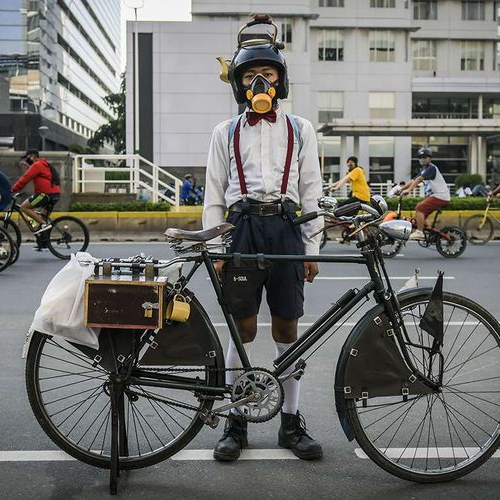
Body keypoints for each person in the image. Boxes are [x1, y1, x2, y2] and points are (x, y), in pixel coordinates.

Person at [203, 15, 323, 462]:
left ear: (280, 81)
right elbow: (214, 194)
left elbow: (311, 190)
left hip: (287, 230)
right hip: (241, 230)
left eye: (267, 74)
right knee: (244, 327)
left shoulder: (301, 129)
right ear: (238, 84)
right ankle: (237, 422)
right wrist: (216, 249)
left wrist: (312, 248)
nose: (259, 82)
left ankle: (290, 422)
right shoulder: (224, 132)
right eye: (249, 76)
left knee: (288, 326)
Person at [400, 147, 450, 240]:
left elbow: (419, 180)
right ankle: (430, 231)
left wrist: (409, 190)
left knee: (420, 208)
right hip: (437, 196)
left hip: (441, 196)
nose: (422, 159)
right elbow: (413, 180)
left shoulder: (432, 168)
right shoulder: (424, 170)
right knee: (421, 210)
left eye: (425, 157)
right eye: (420, 157)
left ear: (430, 158)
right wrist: (400, 189)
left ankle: (419, 232)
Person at [11, 149, 60, 236]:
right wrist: (28, 167)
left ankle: (43, 224)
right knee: (42, 219)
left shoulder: (37, 165)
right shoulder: (43, 164)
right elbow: (39, 173)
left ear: (33, 156)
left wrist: (12, 190)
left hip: (44, 194)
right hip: (54, 194)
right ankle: (43, 242)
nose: (27, 159)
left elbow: (24, 179)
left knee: (24, 208)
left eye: (28, 157)